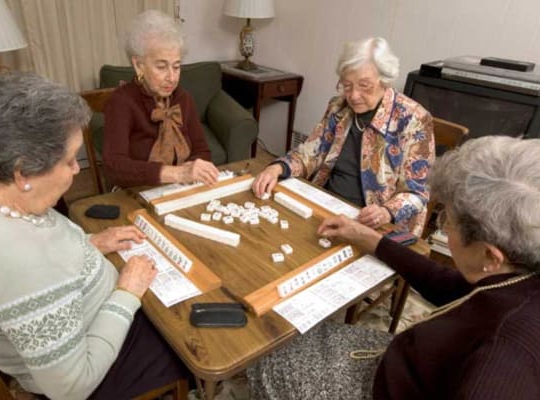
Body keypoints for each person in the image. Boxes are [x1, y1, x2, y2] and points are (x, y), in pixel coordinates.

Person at [0, 72, 188, 400]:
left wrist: (88, 245)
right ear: (22, 173)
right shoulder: (22, 262)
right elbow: (72, 387)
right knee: (186, 334)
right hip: (95, 369)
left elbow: (37, 266)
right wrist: (127, 293)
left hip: (47, 330)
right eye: (70, 160)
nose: (76, 170)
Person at [248, 136, 540, 399]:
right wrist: (370, 239)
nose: (443, 228)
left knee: (264, 359)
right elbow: (447, 286)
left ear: (491, 256)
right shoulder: (517, 273)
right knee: (293, 338)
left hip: (381, 388)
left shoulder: (504, 357)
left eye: (445, 222)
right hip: (401, 361)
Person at [252, 37, 435, 236]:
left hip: (373, 224)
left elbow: (417, 193)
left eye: (364, 85)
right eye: (347, 85)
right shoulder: (338, 107)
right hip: (326, 204)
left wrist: (386, 212)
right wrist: (277, 167)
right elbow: (310, 152)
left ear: (385, 80)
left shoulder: (414, 120)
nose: (353, 96)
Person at [103, 10, 219, 188]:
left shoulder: (183, 99)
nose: (172, 77)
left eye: (177, 66)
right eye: (161, 66)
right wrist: (178, 173)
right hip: (136, 192)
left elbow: (202, 151)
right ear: (139, 65)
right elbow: (114, 168)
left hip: (180, 190)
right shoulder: (121, 101)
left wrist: (191, 170)